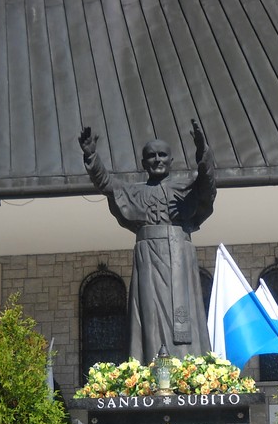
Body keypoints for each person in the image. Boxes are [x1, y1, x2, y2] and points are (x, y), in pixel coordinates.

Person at [79, 119, 216, 363]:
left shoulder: (185, 189)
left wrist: (203, 152)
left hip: (179, 256)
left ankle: (189, 366)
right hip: (148, 259)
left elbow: (207, 186)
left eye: (162, 155)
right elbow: (107, 184)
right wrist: (92, 157)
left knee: (184, 315)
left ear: (171, 160)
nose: (157, 160)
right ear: (143, 163)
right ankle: (151, 364)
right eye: (151, 156)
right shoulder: (135, 192)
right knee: (150, 316)